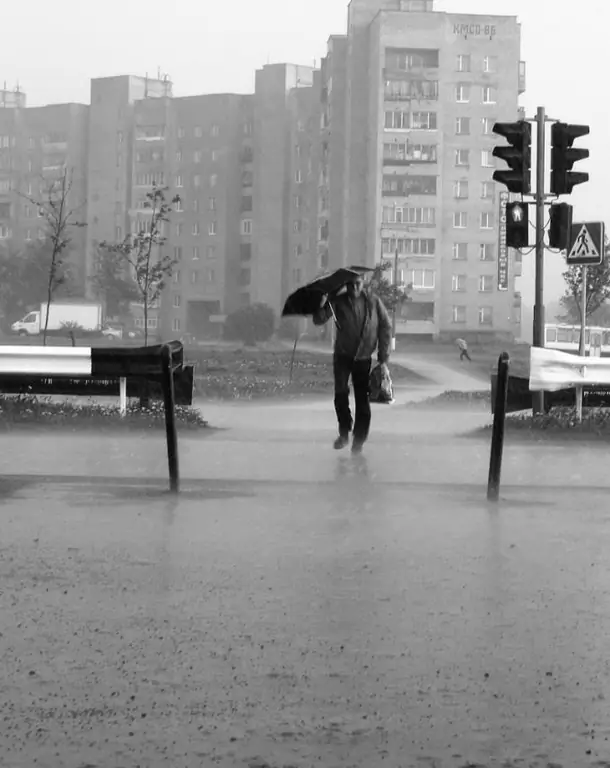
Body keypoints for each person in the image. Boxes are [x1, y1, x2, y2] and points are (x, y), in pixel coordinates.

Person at [312, 274, 392, 453]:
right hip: (342, 355)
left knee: (362, 400)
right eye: (350, 284)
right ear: (345, 285)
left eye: (357, 284)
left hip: (363, 357)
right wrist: (325, 300)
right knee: (340, 394)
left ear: (363, 283)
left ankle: (359, 440)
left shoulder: (373, 302)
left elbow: (385, 326)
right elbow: (318, 320)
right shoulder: (337, 301)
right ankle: (344, 432)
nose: (354, 288)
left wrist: (383, 357)